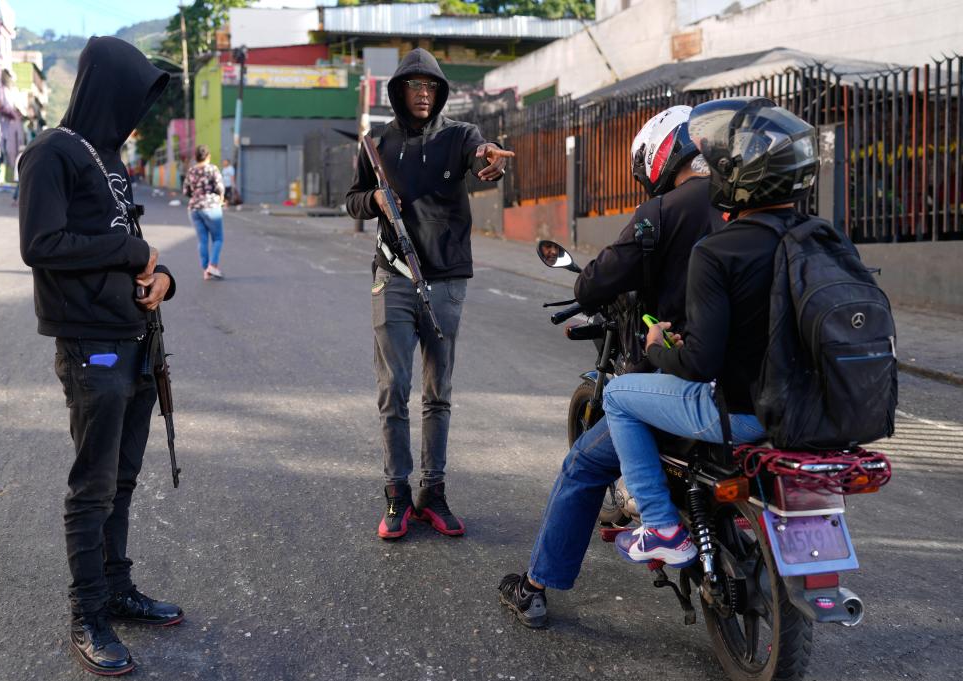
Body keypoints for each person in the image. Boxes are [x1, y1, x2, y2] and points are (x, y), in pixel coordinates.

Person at [498, 97, 819, 629]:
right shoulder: (775, 216)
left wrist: (649, 336)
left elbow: (595, 282)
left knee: (584, 463)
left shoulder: (665, 211)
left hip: (704, 387)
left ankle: (537, 584)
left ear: (660, 158)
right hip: (789, 395)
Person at [18, 36, 183, 676]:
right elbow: (42, 243)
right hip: (91, 346)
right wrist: (130, 253)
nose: (136, 113)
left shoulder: (109, 159)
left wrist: (162, 275)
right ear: (104, 91)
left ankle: (116, 589)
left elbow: (128, 243)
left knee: (122, 479)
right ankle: (87, 613)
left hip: (135, 339)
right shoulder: (51, 152)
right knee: (93, 487)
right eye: (132, 98)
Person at [346, 48, 514, 540]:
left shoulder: (460, 135)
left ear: (440, 93)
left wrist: (491, 161)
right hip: (393, 277)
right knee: (393, 390)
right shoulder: (377, 142)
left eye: (431, 86)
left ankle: (432, 492)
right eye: (414, 85)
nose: (423, 93)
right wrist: (374, 199)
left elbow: (482, 155)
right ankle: (397, 493)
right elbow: (352, 199)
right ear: (399, 91)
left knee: (438, 393)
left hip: (446, 280)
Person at [573, 105, 725, 368]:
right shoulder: (741, 197)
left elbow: (594, 281)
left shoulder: (659, 211)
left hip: (684, 360)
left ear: (658, 152)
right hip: (749, 362)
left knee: (617, 391)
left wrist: (587, 291)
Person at [182, 145, 226, 280]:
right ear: (208, 156)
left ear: (196, 157)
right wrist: (221, 198)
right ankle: (212, 265)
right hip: (211, 207)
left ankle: (206, 270)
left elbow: (186, 191)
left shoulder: (191, 171)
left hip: (194, 209)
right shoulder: (212, 169)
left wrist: (197, 196)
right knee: (218, 239)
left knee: (202, 240)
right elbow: (220, 187)